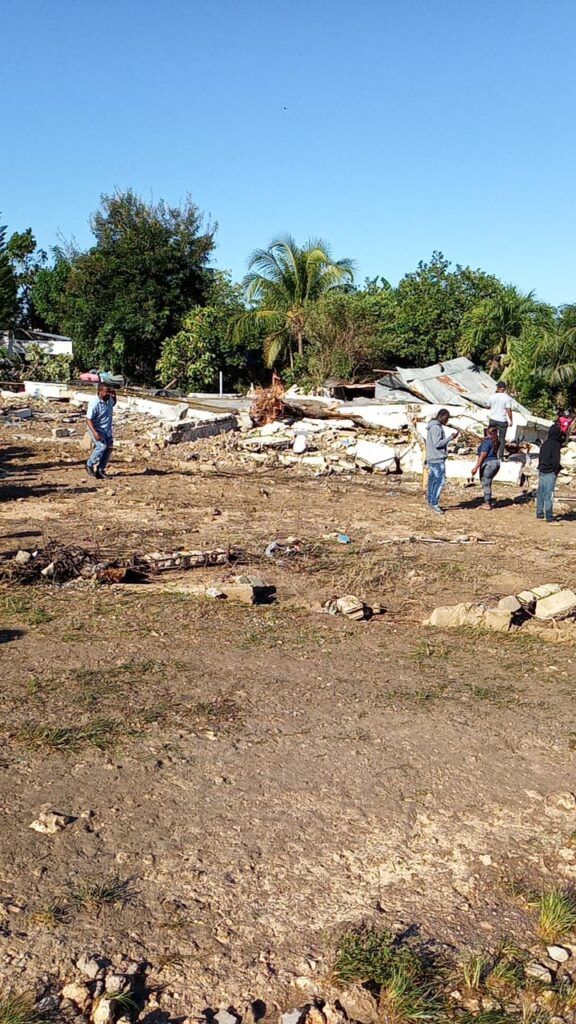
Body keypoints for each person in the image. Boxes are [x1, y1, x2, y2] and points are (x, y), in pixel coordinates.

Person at [425, 409, 460, 515]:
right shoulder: (436, 428)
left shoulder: (433, 426)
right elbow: (437, 444)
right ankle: (434, 503)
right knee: (440, 481)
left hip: (432, 457)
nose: (447, 420)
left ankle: (431, 501)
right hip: (437, 458)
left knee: (433, 481)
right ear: (441, 416)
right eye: (446, 418)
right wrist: (450, 438)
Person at [86, 383, 116, 479]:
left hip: (107, 429)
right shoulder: (94, 403)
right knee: (101, 446)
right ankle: (89, 464)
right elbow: (88, 419)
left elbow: (113, 403)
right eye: (106, 392)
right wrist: (95, 433)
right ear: (100, 392)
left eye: (109, 392)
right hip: (96, 429)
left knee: (109, 448)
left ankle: (100, 470)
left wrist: (114, 395)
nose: (108, 394)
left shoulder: (109, 399)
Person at [536, 422, 565, 523]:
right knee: (549, 494)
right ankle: (549, 516)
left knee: (541, 493)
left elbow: (541, 457)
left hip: (542, 470)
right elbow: (555, 460)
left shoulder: (545, 443)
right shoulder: (556, 445)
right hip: (550, 471)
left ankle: (539, 513)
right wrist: (557, 470)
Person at [471, 426, 501, 509]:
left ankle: (487, 503)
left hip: (488, 463)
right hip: (496, 462)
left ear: (487, 432)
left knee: (486, 482)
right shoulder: (496, 441)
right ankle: (488, 499)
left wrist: (476, 467)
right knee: (488, 481)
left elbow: (483, 455)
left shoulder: (487, 442)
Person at [488, 381, 513, 460]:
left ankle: (489, 453)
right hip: (502, 420)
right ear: (504, 389)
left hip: (493, 419)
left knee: (491, 437)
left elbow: (488, 406)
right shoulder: (507, 398)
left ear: (498, 388)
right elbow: (509, 410)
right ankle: (500, 456)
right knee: (502, 439)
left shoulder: (492, 396)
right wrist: (511, 420)